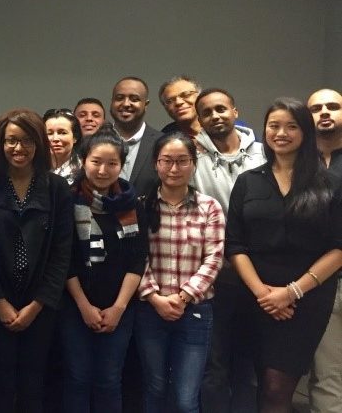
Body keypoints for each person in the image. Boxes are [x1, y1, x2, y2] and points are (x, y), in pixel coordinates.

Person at [226, 97, 342, 413]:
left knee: (277, 389)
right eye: (274, 126)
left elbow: (338, 247)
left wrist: (291, 292)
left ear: (305, 131)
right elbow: (235, 245)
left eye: (291, 126)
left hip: (307, 299)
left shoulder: (329, 183)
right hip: (256, 297)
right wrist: (264, 294)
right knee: (257, 384)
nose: (281, 133)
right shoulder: (248, 181)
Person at [0, 108, 73, 413]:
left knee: (35, 386)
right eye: (11, 141)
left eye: (27, 140)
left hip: (40, 304)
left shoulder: (56, 189)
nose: (19, 148)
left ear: (39, 143)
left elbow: (61, 252)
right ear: (0, 144)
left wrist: (38, 304)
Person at [60, 126, 148, 413]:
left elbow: (137, 259)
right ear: (83, 160)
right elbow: (65, 258)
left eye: (112, 163)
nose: (102, 170)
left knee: (109, 380)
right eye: (96, 161)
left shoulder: (132, 204)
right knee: (77, 378)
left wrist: (118, 308)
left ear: (121, 165)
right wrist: (84, 306)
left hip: (120, 306)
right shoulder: (67, 200)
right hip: (75, 305)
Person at [136, 133, 224, 413]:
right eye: (167, 161)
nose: (174, 168)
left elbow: (214, 258)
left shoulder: (209, 207)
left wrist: (183, 297)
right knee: (155, 387)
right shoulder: (141, 206)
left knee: (186, 398)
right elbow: (134, 258)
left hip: (195, 311)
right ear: (156, 164)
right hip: (150, 310)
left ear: (194, 163)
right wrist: (155, 298)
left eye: (182, 161)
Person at [192, 88, 265, 413]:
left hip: (260, 277)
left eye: (221, 109)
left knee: (250, 366)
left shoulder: (264, 154)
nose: (215, 116)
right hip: (214, 277)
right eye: (207, 112)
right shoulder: (192, 158)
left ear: (235, 111)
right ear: (199, 120)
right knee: (214, 365)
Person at [306, 88, 342, 413]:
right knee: (328, 374)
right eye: (316, 108)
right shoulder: (296, 163)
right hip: (322, 280)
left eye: (333, 106)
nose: (325, 112)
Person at [109, 76, 163, 197]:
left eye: (134, 99)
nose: (126, 104)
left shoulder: (162, 143)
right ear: (112, 102)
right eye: (119, 98)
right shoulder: (94, 142)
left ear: (145, 105)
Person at [43, 107, 82, 185]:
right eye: (49, 133)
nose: (55, 138)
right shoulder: (33, 169)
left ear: (75, 137)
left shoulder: (84, 170)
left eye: (63, 133)